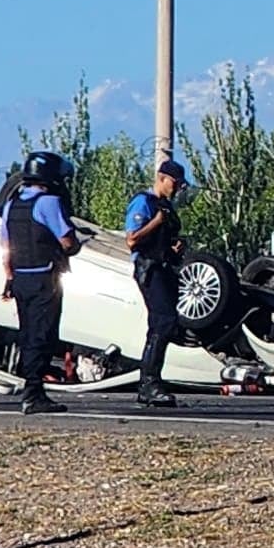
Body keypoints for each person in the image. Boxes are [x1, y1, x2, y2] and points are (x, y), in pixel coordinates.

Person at [2, 150, 83, 415]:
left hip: (20, 278)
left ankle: (31, 388)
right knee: (43, 335)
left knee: (27, 334)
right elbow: (67, 241)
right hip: (44, 277)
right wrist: (74, 246)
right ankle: (34, 393)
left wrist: (9, 277)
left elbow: (5, 244)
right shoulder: (48, 202)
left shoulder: (12, 204)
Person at [121, 157, 190, 408]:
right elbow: (132, 239)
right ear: (163, 179)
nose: (178, 187)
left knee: (165, 324)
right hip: (149, 269)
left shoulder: (167, 207)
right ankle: (149, 382)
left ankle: (152, 380)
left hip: (166, 268)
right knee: (163, 322)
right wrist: (156, 222)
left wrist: (176, 246)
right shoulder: (144, 202)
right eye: (175, 182)